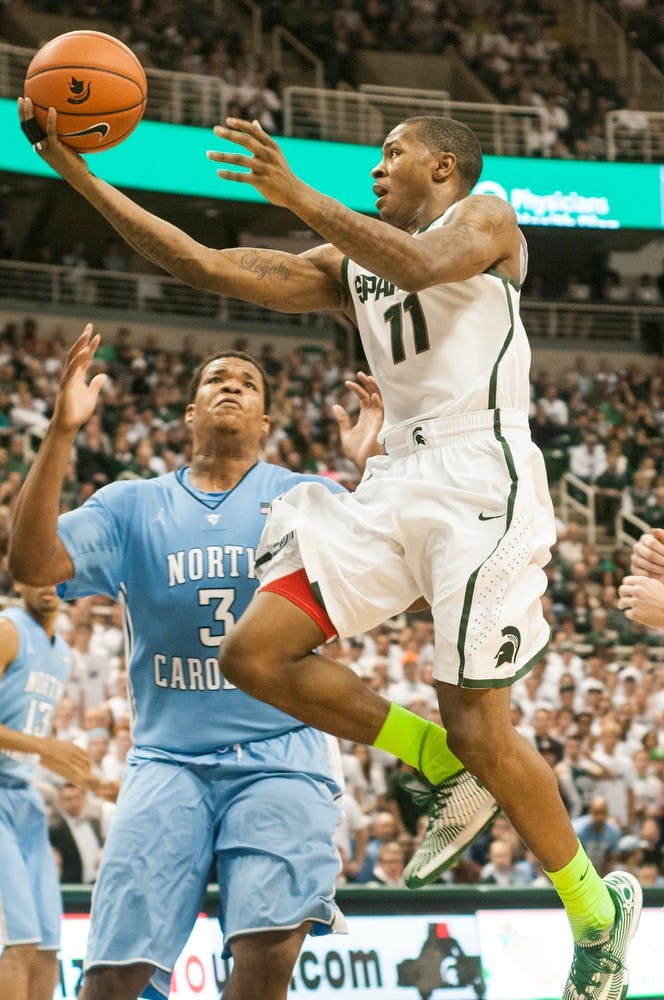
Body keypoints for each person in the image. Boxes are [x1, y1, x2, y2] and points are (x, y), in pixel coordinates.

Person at [18, 102, 641, 997]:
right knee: (254, 652)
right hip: (395, 477)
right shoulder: (352, 262)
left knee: (482, 727)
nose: (378, 167)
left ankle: (592, 907)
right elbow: (202, 264)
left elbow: (423, 263)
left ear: (446, 167)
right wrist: (76, 175)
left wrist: (294, 191)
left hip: (480, 474)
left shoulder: (490, 215)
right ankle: (431, 760)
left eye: (394, 153)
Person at [8, 327, 472, 1000]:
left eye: (247, 383)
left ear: (265, 421)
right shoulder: (132, 504)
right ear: (190, 412)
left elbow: (405, 577)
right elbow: (30, 563)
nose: (231, 385)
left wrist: (379, 475)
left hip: (281, 753)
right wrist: (60, 432)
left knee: (264, 960)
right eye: (215, 380)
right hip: (168, 760)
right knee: (111, 978)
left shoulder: (308, 497)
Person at [0, 582, 92, 1000]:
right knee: (16, 940)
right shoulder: (8, 631)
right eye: (34, 574)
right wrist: (43, 747)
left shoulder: (62, 655)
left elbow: (39, 742)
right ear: (18, 581)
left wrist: (96, 783)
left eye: (54, 574)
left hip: (25, 798)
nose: (46, 584)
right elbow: (40, 744)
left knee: (46, 946)